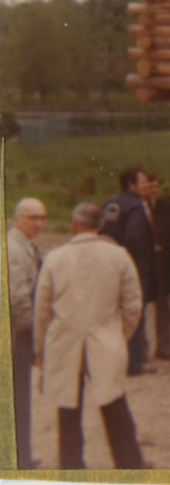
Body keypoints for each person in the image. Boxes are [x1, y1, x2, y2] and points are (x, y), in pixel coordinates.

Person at [33, 202, 148, 469]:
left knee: (67, 409)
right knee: (114, 402)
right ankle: (129, 463)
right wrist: (120, 334)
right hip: (105, 338)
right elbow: (133, 304)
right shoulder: (119, 256)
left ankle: (71, 466)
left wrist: (40, 348)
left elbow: (42, 310)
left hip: (64, 340)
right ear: (101, 225)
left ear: (75, 223)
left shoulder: (54, 257)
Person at [100, 167, 156, 376]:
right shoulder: (135, 207)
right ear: (132, 186)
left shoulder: (109, 203)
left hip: (107, 265)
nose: (146, 185)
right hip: (131, 266)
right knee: (134, 312)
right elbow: (133, 235)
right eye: (143, 182)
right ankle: (133, 363)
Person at [8, 197, 46, 469]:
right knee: (17, 395)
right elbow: (17, 298)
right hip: (14, 334)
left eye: (42, 218)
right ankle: (17, 457)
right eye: (32, 217)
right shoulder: (13, 250)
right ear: (17, 219)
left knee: (20, 396)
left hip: (18, 332)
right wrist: (31, 332)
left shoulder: (28, 247)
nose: (38, 223)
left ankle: (20, 454)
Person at [142, 172, 170, 361]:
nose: (153, 191)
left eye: (156, 187)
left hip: (162, 262)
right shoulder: (136, 209)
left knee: (164, 306)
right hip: (144, 263)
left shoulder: (165, 208)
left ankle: (164, 347)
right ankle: (141, 350)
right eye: (149, 187)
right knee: (140, 306)